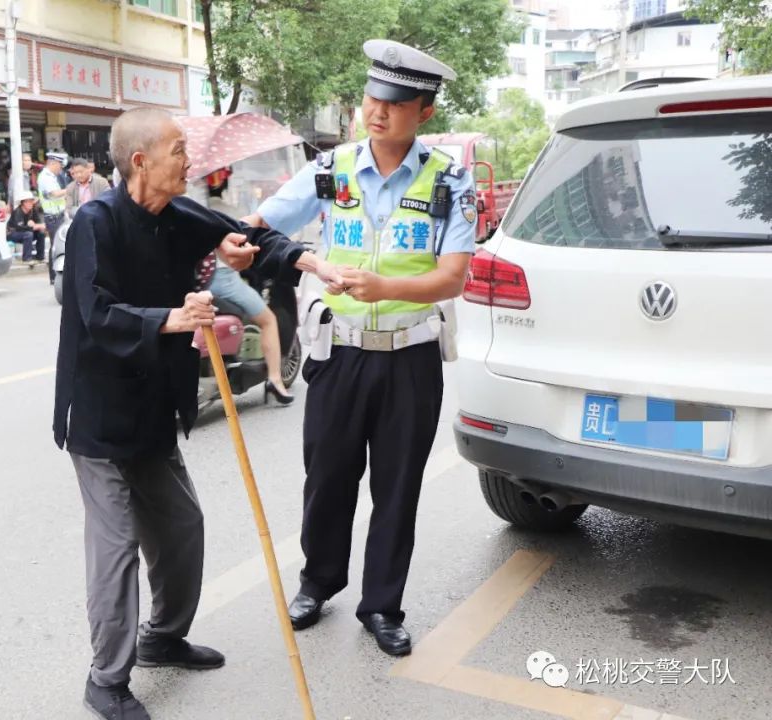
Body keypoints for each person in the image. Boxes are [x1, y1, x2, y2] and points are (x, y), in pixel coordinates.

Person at [54, 106, 341, 720]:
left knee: (181, 526)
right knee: (117, 547)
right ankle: (106, 680)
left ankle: (163, 638)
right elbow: (93, 312)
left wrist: (297, 260)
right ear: (141, 161)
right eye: (179, 150)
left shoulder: (178, 213)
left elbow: (244, 236)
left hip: (155, 404)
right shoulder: (94, 224)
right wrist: (171, 318)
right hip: (101, 415)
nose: (191, 161)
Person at [243, 40, 477, 657]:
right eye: (373, 98)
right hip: (338, 352)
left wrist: (388, 286)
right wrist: (294, 256)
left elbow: (452, 276)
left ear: (423, 111)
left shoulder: (450, 181)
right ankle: (318, 582)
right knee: (327, 477)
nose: (378, 112)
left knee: (397, 488)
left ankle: (382, 605)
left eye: (396, 103)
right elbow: (260, 230)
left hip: (410, 355)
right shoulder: (329, 169)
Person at [203, 168, 294, 404]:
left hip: (196, 282)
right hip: (222, 279)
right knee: (268, 320)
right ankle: (275, 380)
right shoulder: (228, 211)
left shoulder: (192, 208)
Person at [38, 153, 68, 275]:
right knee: (56, 245)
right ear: (53, 164)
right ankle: (54, 275)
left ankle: (56, 274)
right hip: (53, 217)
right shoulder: (45, 177)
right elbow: (54, 194)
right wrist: (70, 190)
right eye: (59, 166)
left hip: (58, 215)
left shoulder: (51, 176)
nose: (60, 169)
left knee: (58, 244)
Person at [6, 191, 46, 267]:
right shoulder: (17, 212)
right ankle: (27, 258)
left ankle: (40, 257)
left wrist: (35, 226)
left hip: (26, 232)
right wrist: (33, 226)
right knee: (28, 234)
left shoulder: (33, 210)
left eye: (31, 201)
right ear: (23, 203)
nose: (31, 203)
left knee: (41, 233)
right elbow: (19, 227)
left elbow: (38, 223)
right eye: (29, 201)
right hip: (12, 233)